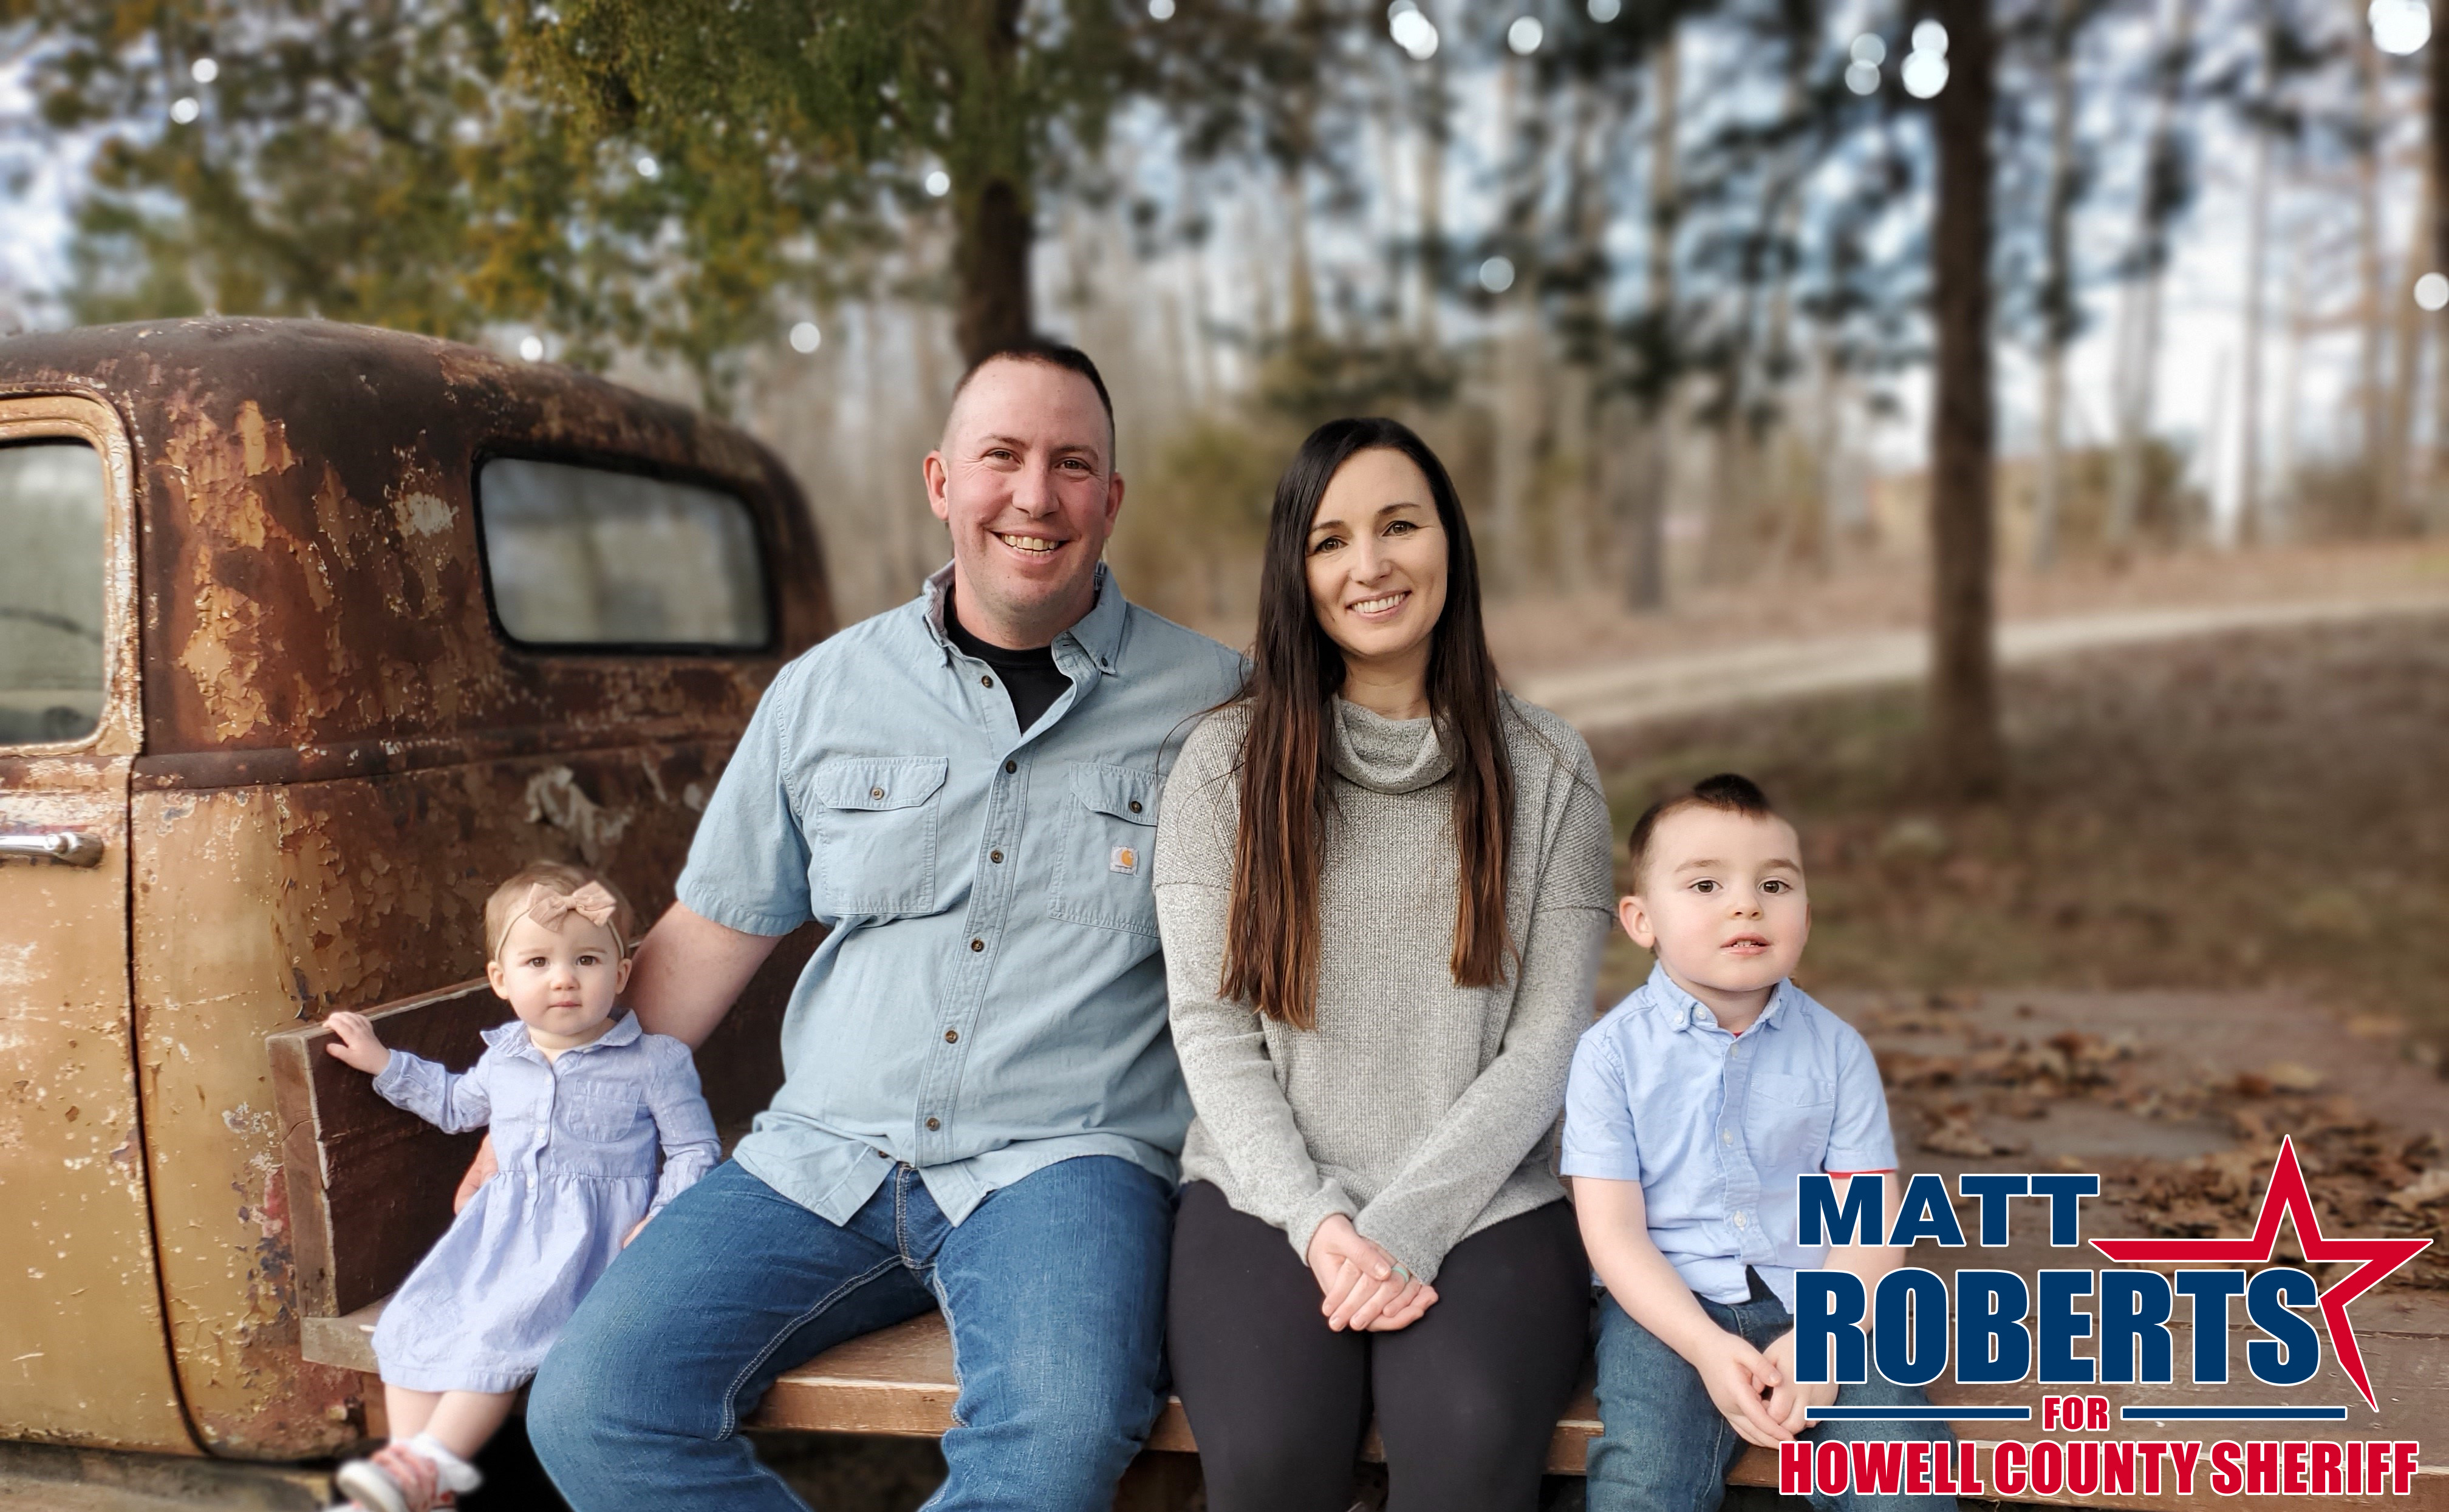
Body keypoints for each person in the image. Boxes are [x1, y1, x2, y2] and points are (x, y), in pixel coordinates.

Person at [520, 340, 1246, 1512]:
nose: (1034, 495)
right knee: (596, 1405)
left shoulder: (1219, 704)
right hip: (820, 1153)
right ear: (940, 483)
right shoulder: (822, 694)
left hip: (1063, 1164)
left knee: (1057, 1439)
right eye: (1000, 457)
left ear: (1109, 501)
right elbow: (702, 944)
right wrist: (539, 1117)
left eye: (1072, 465)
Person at [1155, 417, 1616, 1512]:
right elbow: (1210, 1028)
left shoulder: (1548, 769)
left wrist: (1402, 1232)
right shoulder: (1223, 765)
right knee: (1268, 1460)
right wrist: (1320, 1224)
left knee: (1464, 1448)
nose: (1369, 565)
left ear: (1448, 542)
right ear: (1296, 572)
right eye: (1330, 540)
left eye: (1398, 525)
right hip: (1263, 1197)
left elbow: (1548, 1039)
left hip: (1488, 1197)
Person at [1563, 774, 1956, 1512]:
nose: (1747, 903)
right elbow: (1613, 1235)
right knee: (1644, 1483)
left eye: (1775, 885)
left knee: (1900, 1466)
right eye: (1706, 884)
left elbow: (1870, 1220)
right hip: (1668, 1304)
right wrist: (1707, 1349)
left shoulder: (1838, 1051)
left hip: (1828, 1299)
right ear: (1641, 919)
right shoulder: (1609, 1055)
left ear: (1806, 918)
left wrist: (1826, 1340)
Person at [321, 862, 719, 1512]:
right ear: (501, 982)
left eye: (587, 959)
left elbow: (694, 1148)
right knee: (416, 1323)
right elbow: (454, 1105)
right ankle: (419, 1487)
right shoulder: (505, 1056)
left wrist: (664, 1215)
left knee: (497, 1339)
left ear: (620, 976)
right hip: (498, 1235)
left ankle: (413, 1477)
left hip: (586, 1242)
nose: (563, 977)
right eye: (537, 962)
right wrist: (384, 1064)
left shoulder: (655, 1061)